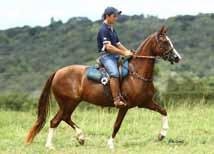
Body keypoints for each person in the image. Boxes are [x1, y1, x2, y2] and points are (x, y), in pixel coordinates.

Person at [97, 6, 133, 108]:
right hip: (106, 56)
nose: (116, 18)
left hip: (116, 56)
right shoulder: (103, 29)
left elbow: (118, 44)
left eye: (116, 16)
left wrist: (127, 51)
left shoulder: (112, 28)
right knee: (114, 73)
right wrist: (123, 53)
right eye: (114, 16)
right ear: (107, 16)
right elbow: (108, 47)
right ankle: (116, 100)